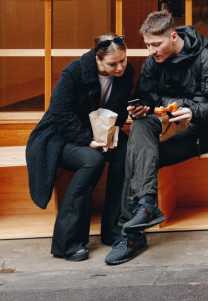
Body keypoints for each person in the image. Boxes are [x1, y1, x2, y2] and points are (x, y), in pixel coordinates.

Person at [104, 11, 208, 265]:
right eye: (147, 45)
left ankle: (130, 235)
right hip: (166, 124)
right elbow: (146, 95)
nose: (151, 51)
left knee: (138, 159)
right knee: (140, 126)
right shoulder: (155, 60)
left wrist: (194, 110)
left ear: (173, 37)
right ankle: (146, 206)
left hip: (201, 131)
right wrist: (140, 106)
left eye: (156, 44)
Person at [26, 34, 134, 262]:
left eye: (123, 61)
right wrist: (87, 139)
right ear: (98, 59)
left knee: (125, 153)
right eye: (113, 63)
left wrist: (112, 133)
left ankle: (114, 231)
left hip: (101, 132)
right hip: (59, 135)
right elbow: (59, 112)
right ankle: (68, 241)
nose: (120, 67)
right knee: (92, 161)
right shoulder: (75, 71)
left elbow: (120, 111)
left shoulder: (126, 73)